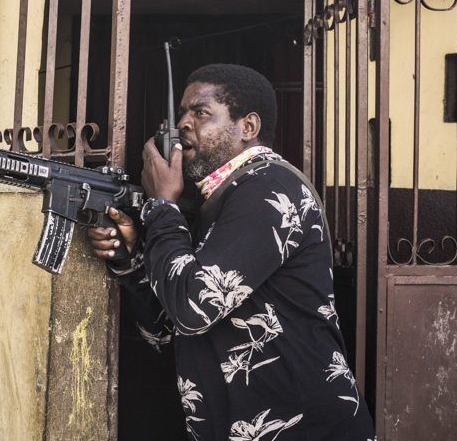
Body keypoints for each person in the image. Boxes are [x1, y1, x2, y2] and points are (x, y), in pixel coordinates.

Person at [89, 63, 375, 441]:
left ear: (248, 127)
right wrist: (131, 259)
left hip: (305, 428)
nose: (184, 125)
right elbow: (166, 330)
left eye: (201, 112)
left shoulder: (269, 188)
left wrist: (162, 206)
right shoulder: (221, 200)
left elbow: (194, 307)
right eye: (182, 115)